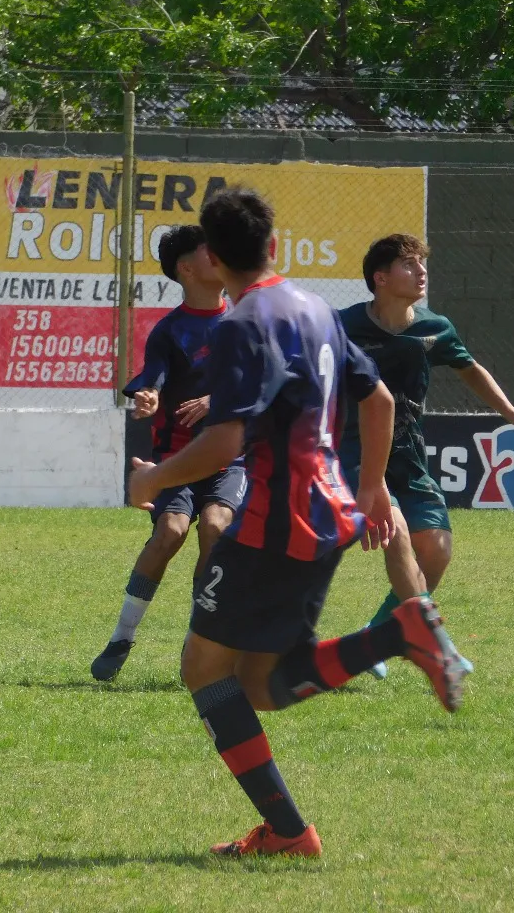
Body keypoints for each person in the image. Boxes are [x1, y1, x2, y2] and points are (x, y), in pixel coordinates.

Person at [128, 190, 464, 859]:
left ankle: (290, 826)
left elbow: (223, 443)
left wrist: (153, 478)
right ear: (274, 247)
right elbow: (382, 400)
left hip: (272, 522)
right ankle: (393, 639)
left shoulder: (238, 326)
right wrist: (369, 489)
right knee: (260, 684)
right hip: (326, 512)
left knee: (205, 669)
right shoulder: (314, 307)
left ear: (215, 259)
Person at [339, 233, 514, 678]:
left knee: (436, 550)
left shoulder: (435, 327)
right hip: (355, 454)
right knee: (394, 529)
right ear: (379, 278)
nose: (421, 272)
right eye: (409, 265)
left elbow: (470, 369)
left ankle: (376, 638)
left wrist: (511, 412)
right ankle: (433, 642)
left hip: (408, 454)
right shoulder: (340, 326)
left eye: (423, 264)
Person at [91, 225, 245, 682]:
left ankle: (201, 638)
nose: (218, 253)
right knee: (171, 532)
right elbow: (152, 374)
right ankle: (122, 635)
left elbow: (257, 384)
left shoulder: (243, 323)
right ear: (187, 268)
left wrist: (218, 402)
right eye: (206, 249)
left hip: (229, 460)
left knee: (217, 527)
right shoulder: (170, 329)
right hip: (176, 460)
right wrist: (149, 396)